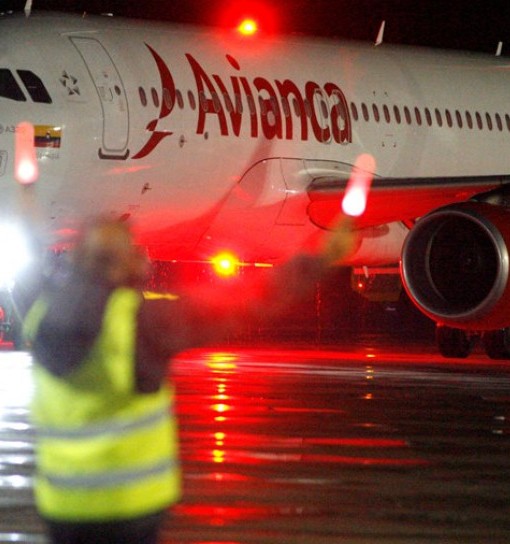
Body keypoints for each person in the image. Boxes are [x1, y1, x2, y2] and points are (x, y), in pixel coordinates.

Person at [24, 217, 352, 543]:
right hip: (129, 507)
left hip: (63, 505)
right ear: (126, 263)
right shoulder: (144, 320)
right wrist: (321, 259)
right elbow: (245, 301)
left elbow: (28, 276)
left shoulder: (39, 312)